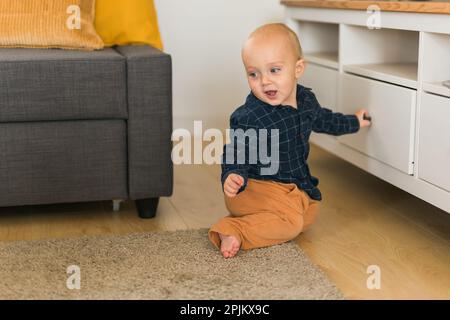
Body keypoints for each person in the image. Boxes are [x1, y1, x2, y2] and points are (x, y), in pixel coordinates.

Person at [209, 23, 371, 258]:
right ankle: (233, 229)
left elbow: (325, 120)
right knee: (291, 224)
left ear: (298, 69)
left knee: (310, 211)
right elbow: (236, 150)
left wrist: (354, 122)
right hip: (254, 187)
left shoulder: (305, 101)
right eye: (253, 74)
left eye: (274, 70)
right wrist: (233, 174)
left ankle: (262, 219)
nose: (264, 81)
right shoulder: (251, 116)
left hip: (290, 186)